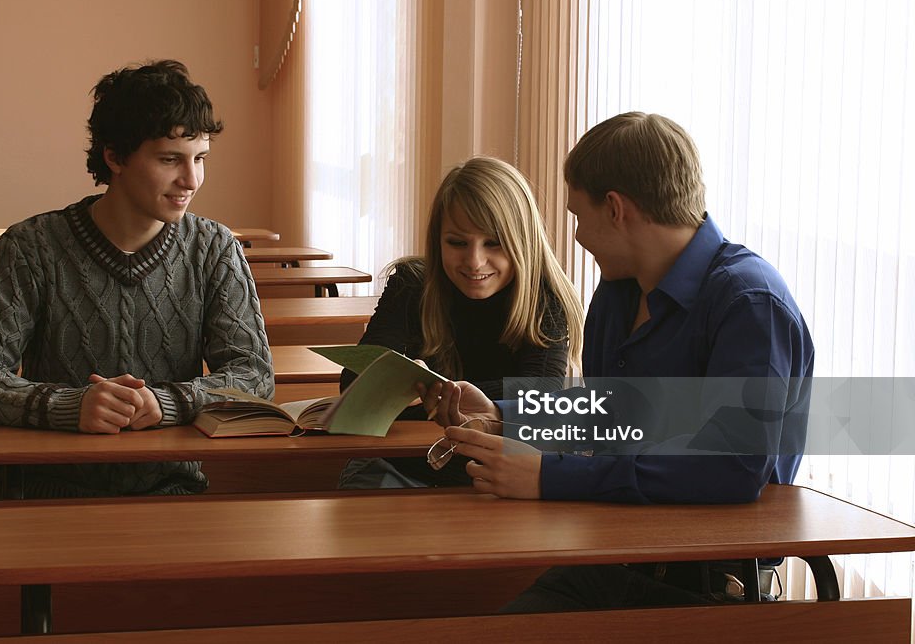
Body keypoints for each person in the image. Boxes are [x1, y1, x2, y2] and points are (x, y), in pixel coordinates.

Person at [418, 112, 814, 608]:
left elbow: (732, 469)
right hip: (610, 551)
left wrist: (548, 476)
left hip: (706, 582)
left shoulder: (749, 302)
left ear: (615, 209)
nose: (578, 236)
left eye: (578, 216)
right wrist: (506, 415)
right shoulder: (619, 291)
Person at [0, 60, 274, 498]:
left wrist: (166, 402)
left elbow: (255, 376)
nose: (191, 180)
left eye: (201, 158)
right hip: (42, 496)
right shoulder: (31, 246)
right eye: (170, 159)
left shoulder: (214, 249)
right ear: (114, 157)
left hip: (172, 494)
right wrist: (70, 406)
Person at [339, 156, 584, 488]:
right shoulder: (411, 283)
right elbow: (355, 383)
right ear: (437, 240)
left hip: (499, 477)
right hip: (399, 468)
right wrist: (489, 400)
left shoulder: (546, 300)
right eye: (457, 242)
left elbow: (539, 399)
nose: (474, 261)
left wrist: (425, 393)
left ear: (522, 241)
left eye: (493, 243)